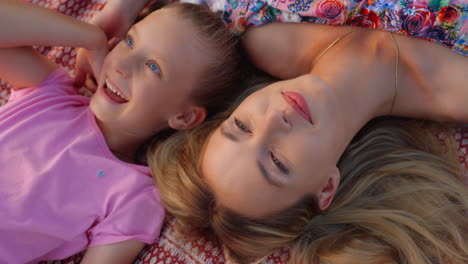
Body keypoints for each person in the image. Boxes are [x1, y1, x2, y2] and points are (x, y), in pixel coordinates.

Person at [148, 18, 468, 264]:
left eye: (242, 126)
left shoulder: (266, 37)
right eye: (276, 161)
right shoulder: (459, 90)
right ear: (327, 187)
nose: (274, 120)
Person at [0, 0, 246, 263]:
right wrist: (91, 37)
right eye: (129, 41)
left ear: (184, 117)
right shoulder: (52, 93)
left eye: (153, 67)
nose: (123, 65)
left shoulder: (135, 195)